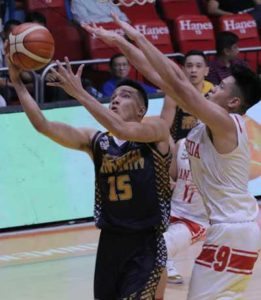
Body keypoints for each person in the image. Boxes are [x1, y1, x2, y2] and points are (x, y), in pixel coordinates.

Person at [83, 15, 261, 300]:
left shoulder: (228, 123)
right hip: (228, 227)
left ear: (234, 102)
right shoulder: (208, 126)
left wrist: (134, 37)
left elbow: (175, 80)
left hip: (233, 229)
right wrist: (122, 41)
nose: (212, 86)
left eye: (221, 87)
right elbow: (164, 78)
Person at [7, 53, 172, 299]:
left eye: (125, 96)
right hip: (110, 243)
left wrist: (79, 93)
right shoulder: (96, 141)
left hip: (145, 243)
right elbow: (43, 125)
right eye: (113, 97)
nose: (115, 100)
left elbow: (123, 128)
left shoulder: (156, 131)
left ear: (141, 110)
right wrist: (18, 83)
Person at [155, 132, 209, 298]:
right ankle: (166, 263)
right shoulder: (182, 144)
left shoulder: (221, 149)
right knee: (144, 246)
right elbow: (173, 176)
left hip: (196, 220)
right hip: (173, 209)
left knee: (159, 249)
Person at [161, 50, 213, 142]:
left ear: (206, 71)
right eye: (189, 66)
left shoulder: (213, 92)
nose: (193, 70)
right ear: (183, 70)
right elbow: (164, 129)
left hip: (206, 147)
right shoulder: (173, 94)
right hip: (180, 146)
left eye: (198, 66)